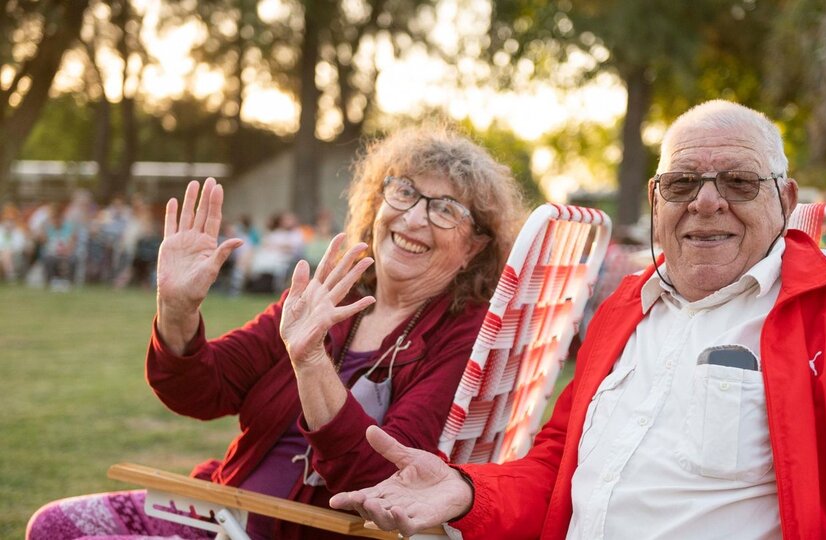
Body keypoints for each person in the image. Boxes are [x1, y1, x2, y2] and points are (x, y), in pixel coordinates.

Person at [330, 101, 826, 539]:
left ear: (786, 199)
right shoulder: (625, 308)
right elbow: (556, 468)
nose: (707, 201)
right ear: (657, 200)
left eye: (739, 182)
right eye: (683, 182)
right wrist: (468, 492)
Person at [25, 125, 525, 540]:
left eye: (445, 209)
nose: (415, 217)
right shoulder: (328, 295)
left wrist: (310, 363)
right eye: (406, 191)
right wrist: (178, 311)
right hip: (224, 511)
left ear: (475, 247)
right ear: (378, 203)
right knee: (54, 526)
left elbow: (388, 483)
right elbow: (201, 389)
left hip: (285, 531)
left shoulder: (464, 337)